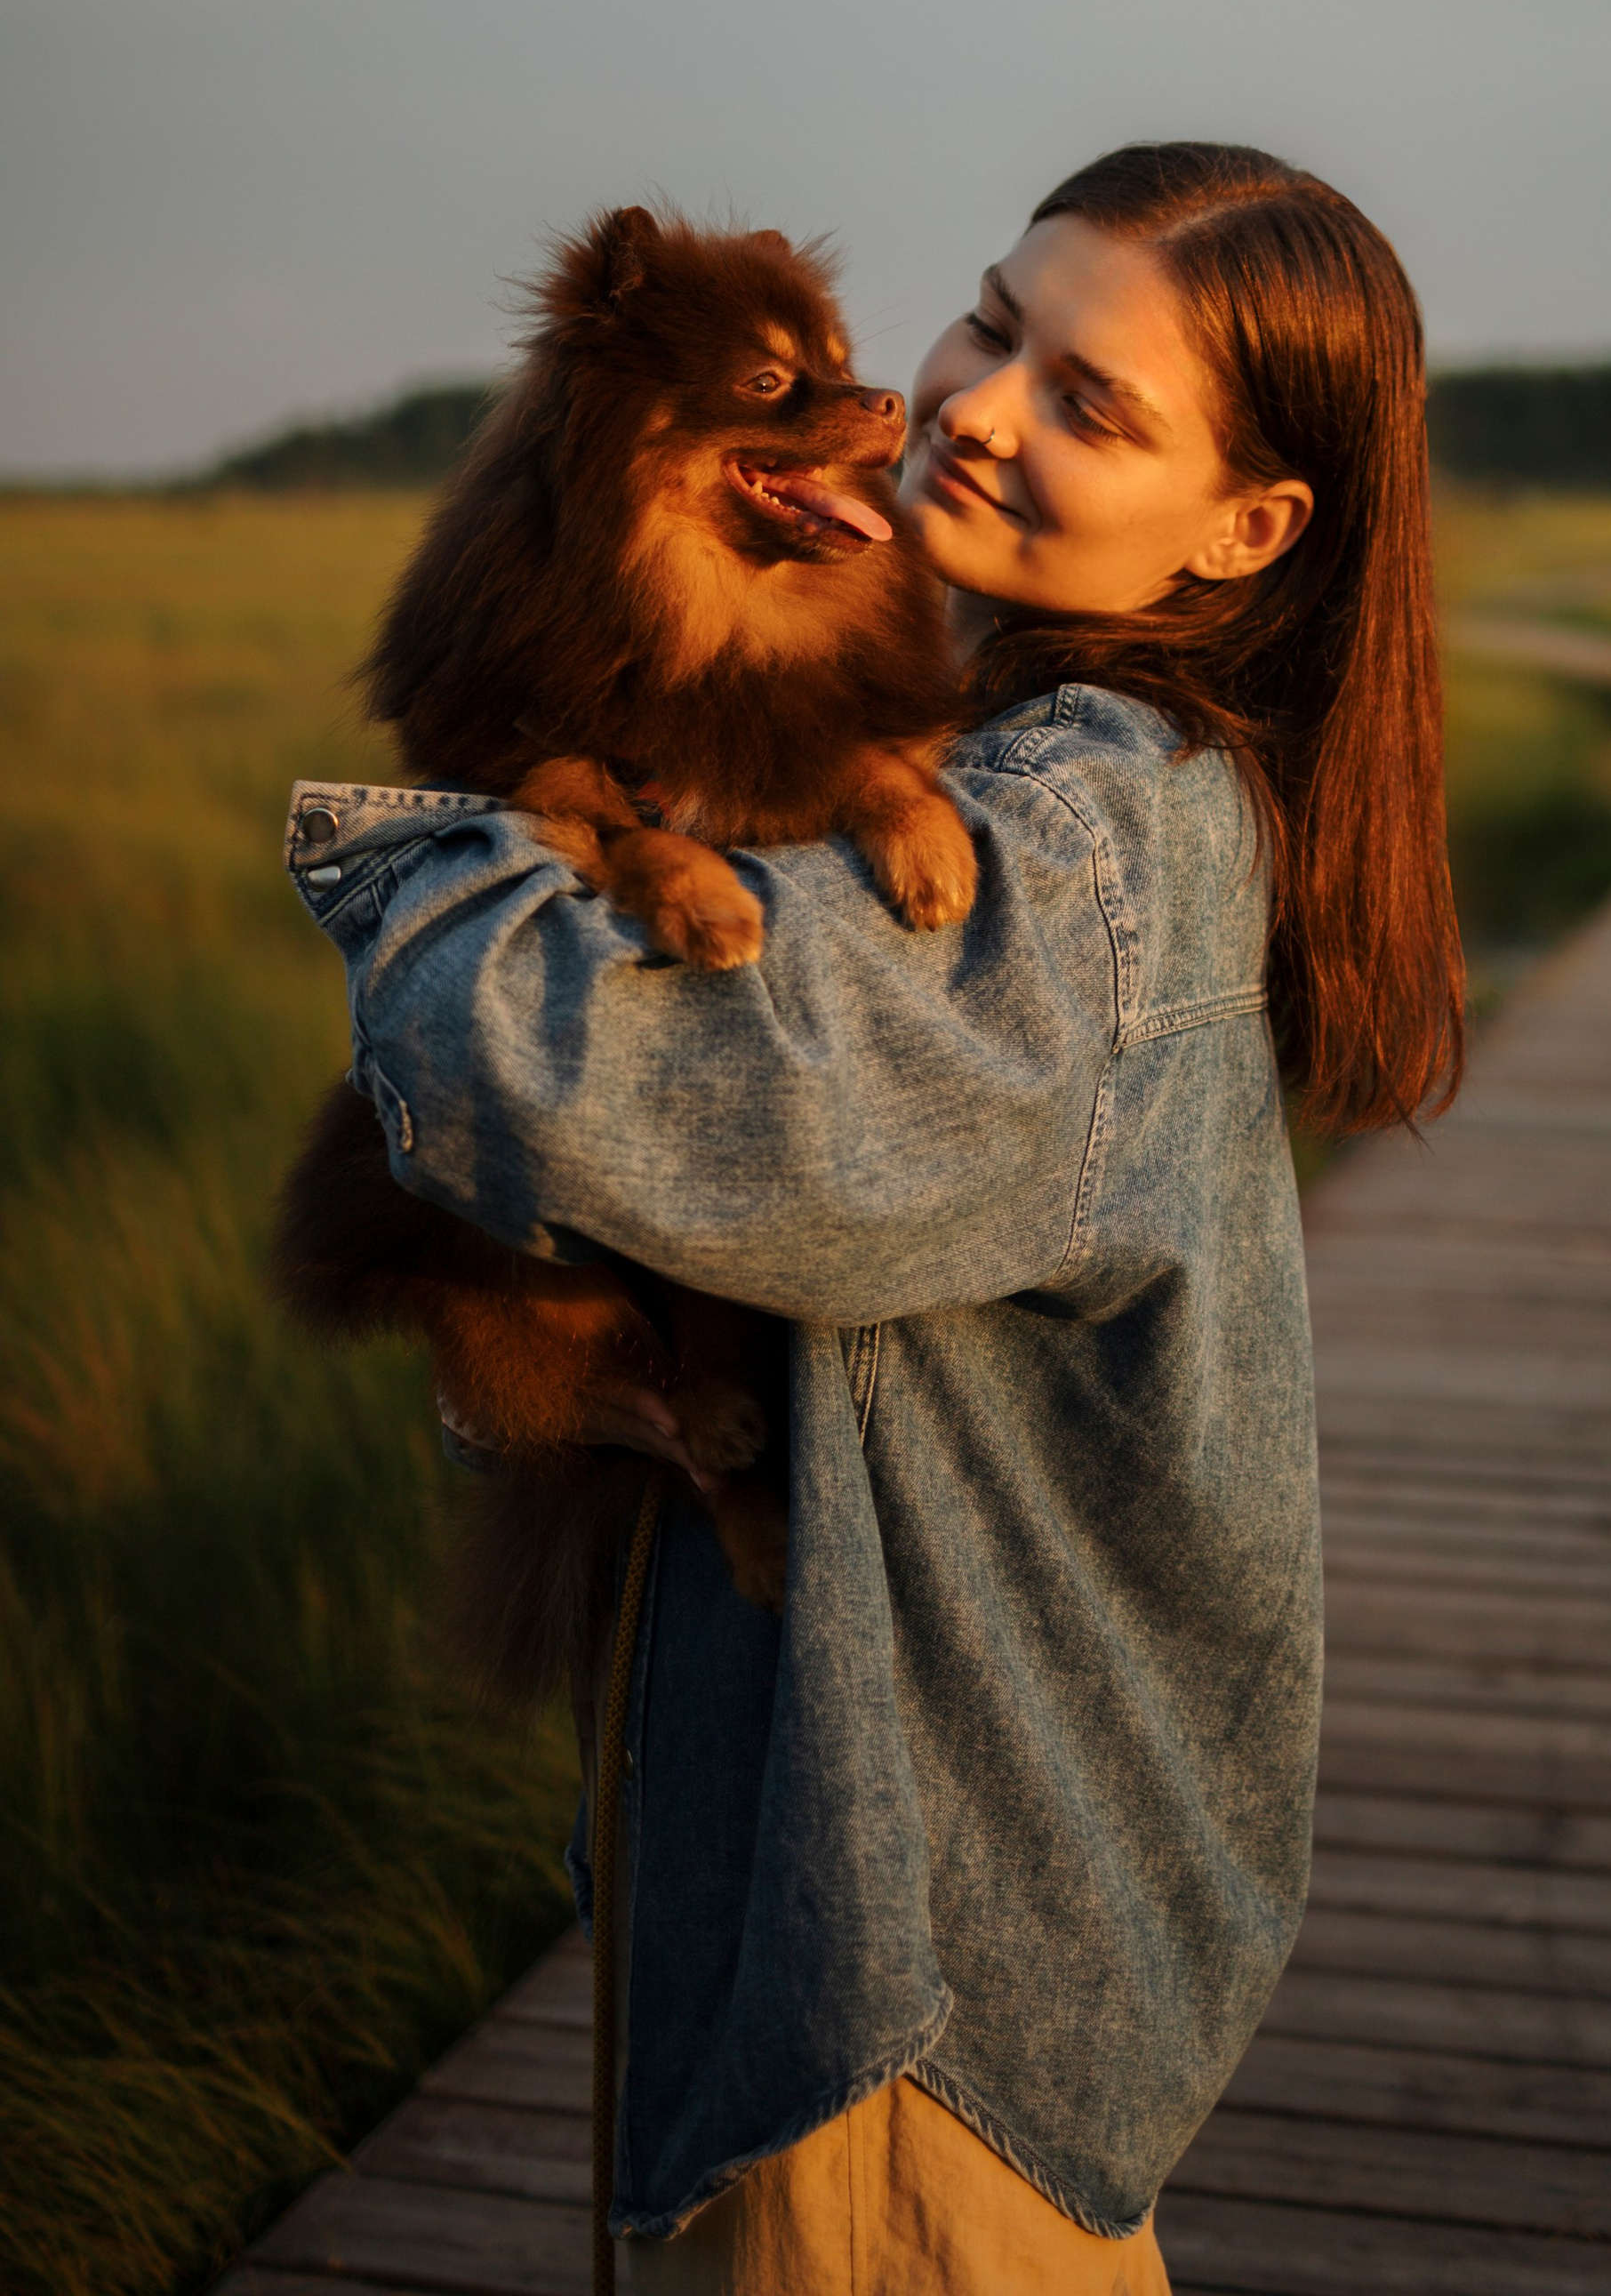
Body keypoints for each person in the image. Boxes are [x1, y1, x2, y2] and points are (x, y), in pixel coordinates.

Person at [287, 142, 1463, 2292]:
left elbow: (557, 1078)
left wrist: (435, 852)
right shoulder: (1002, 729)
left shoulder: (1076, 840)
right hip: (862, 1916)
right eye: (995, 322)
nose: (976, 404)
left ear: (1248, 526)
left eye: (1089, 402)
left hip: (901, 1989)